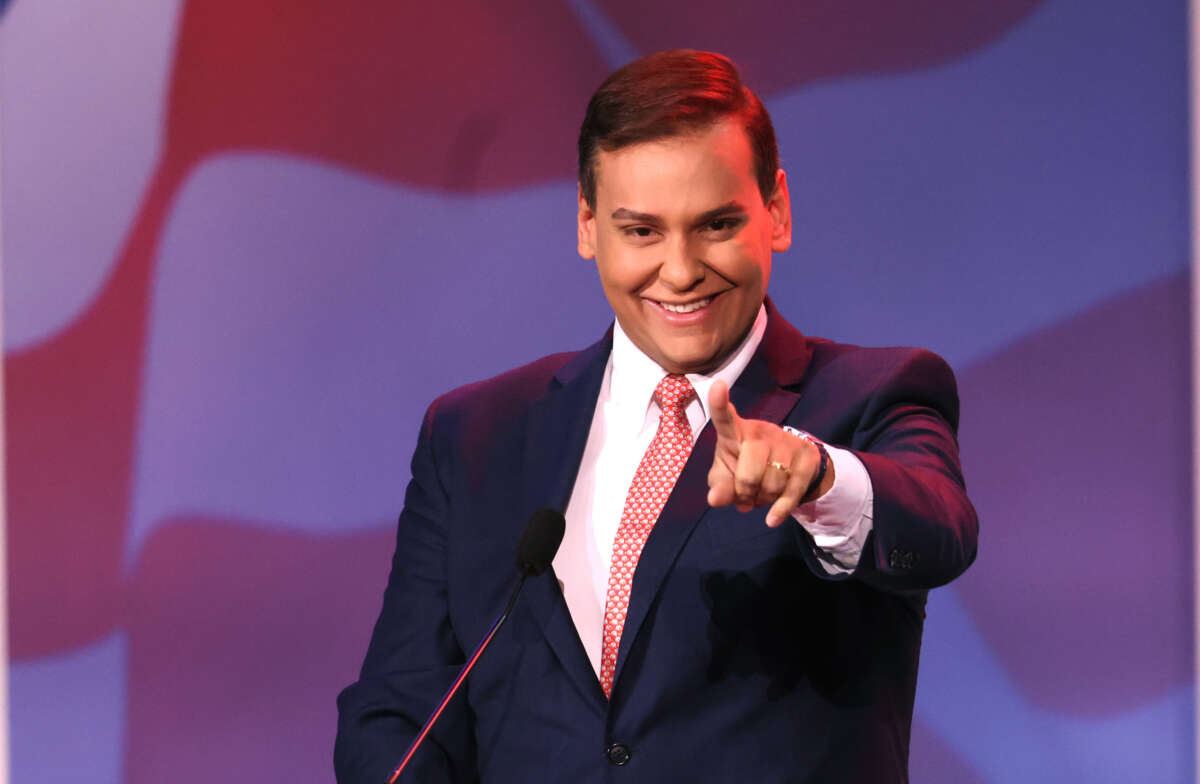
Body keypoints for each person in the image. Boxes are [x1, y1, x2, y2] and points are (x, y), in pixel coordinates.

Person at [335, 49, 977, 783]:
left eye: (716, 224)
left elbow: (938, 526)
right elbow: (404, 706)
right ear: (586, 225)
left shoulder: (873, 393)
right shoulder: (474, 434)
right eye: (642, 231)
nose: (679, 271)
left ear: (777, 210)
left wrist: (820, 476)